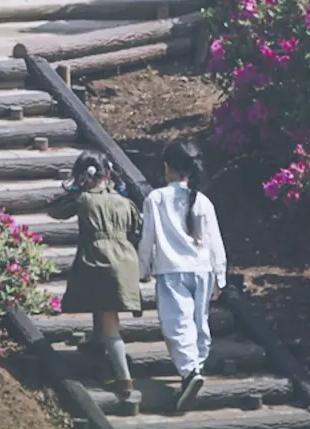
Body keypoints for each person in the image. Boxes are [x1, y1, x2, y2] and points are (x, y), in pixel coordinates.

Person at [137, 139, 226, 414]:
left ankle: (190, 372)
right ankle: (195, 367)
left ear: (168, 168)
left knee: (176, 323)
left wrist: (142, 269)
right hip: (202, 269)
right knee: (199, 322)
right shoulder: (203, 200)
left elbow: (147, 238)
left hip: (171, 270)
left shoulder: (156, 198)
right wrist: (220, 276)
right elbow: (215, 241)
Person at [46, 151, 141, 404]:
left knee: (110, 321)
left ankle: (124, 379)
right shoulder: (124, 201)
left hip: (99, 260)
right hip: (126, 260)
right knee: (104, 309)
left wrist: (74, 190)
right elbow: (137, 227)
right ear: (107, 173)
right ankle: (98, 346)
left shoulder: (84, 199)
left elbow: (53, 211)